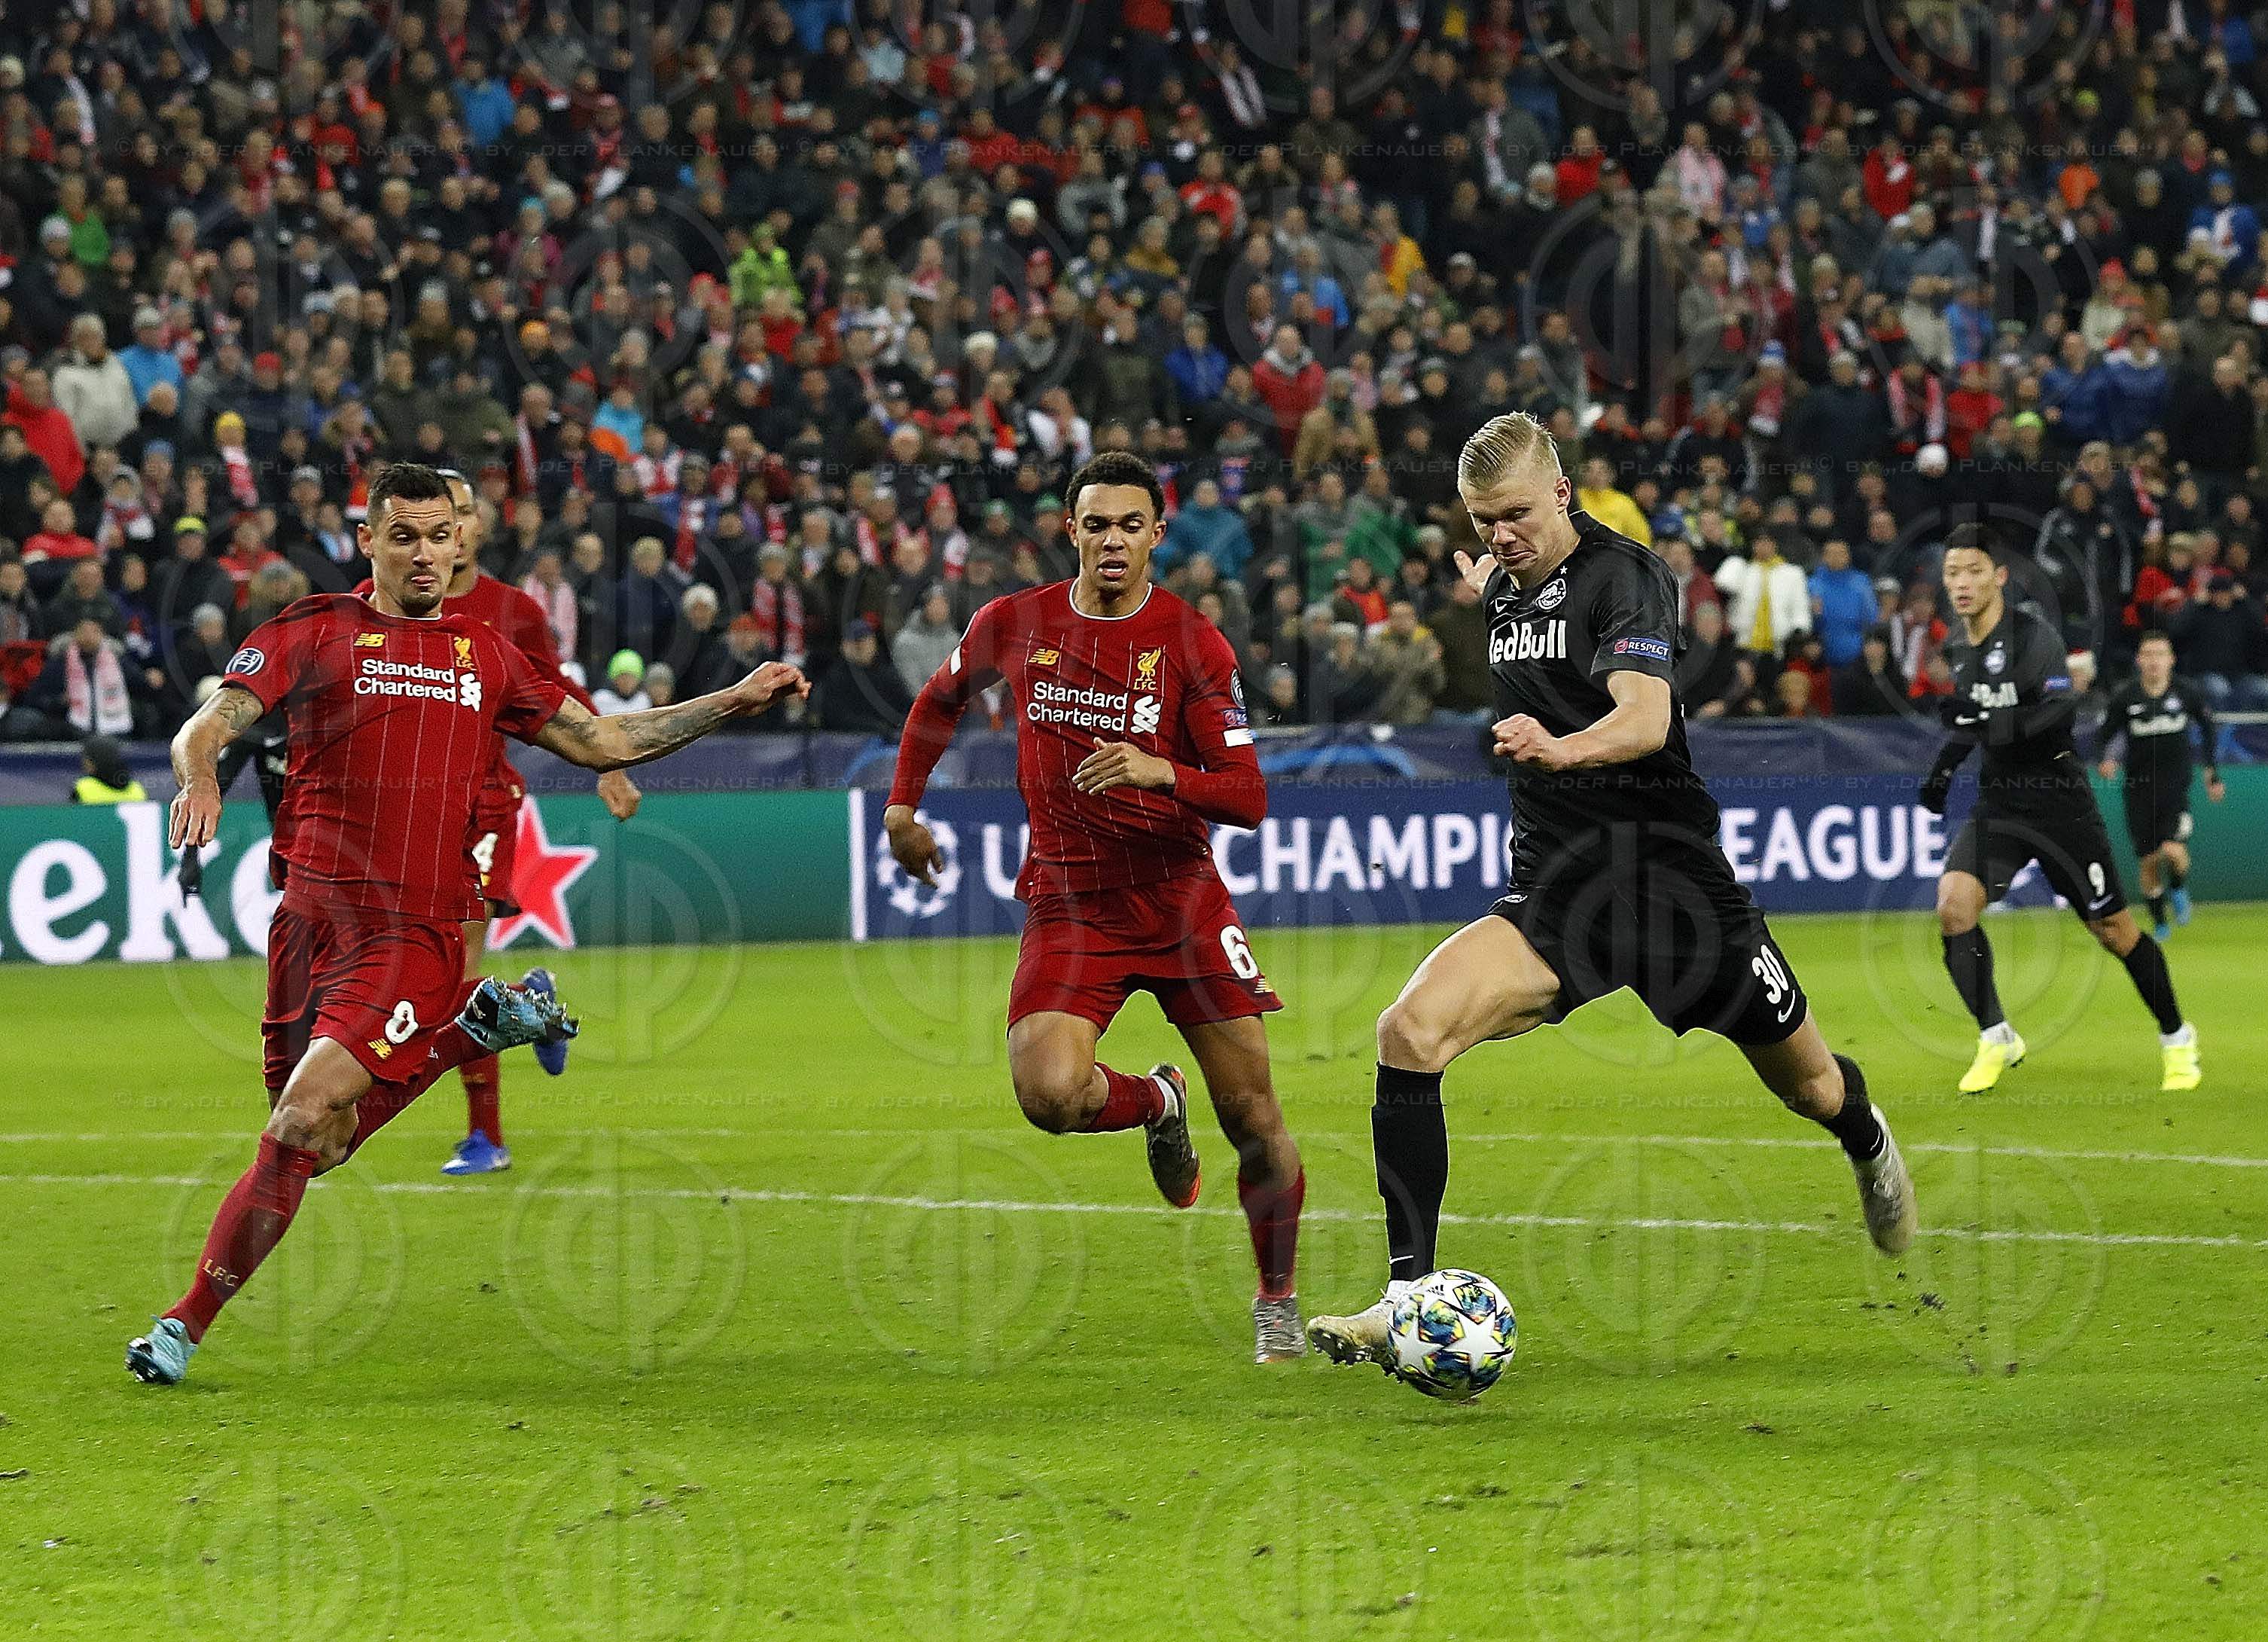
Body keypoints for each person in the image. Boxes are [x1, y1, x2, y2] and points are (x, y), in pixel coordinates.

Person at [127, 463, 808, 1387]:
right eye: (402, 534)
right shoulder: (314, 629)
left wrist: (732, 699)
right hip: (308, 924)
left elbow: (602, 739)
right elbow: (210, 723)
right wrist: (199, 773)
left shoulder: (483, 654)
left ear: (462, 541)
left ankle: (181, 1325)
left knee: (299, 1119)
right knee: (313, 1145)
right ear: (366, 540)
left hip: (415, 930)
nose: (423, 552)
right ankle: (472, 1031)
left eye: (438, 534)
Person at [1306, 413, 1916, 1370]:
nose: (1498, 537)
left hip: (1677, 894)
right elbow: (1503, 596)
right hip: (1558, 891)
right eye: (1479, 520)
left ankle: (1865, 1130)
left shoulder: (1624, 577)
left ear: (1562, 492)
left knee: (1809, 1084)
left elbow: (1642, 718)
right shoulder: (1502, 581)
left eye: (1513, 514)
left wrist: (1559, 746)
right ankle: (1408, 1295)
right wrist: (1486, 583)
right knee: (1407, 1031)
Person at [883, 450, 1308, 1363]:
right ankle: (1157, 1099)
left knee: (1255, 1119)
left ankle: (1277, 1296)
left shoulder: (1195, 643)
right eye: (1095, 523)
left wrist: (1165, 768)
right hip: (1073, 906)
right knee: (1048, 1093)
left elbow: (1246, 795)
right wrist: (902, 807)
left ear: (1158, 534)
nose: (1111, 539)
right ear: (1068, 530)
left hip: (1181, 898)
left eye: (1129, 524)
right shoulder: (1016, 622)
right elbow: (937, 700)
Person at [385, 471, 644, 1176]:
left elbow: (556, 694)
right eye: (435, 519)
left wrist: (608, 763)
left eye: (460, 517)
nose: (449, 531)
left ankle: (486, 1137)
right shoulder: (387, 608)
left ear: (474, 530)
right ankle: (530, 1003)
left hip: (484, 805)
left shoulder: (512, 611)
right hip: (408, 813)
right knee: (416, 976)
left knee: (453, 973)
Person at [1921, 526, 2199, 1095]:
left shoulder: (2032, 635)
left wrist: (1979, 725)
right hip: (2001, 804)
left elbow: (2056, 713)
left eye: (1974, 570)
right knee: (1954, 906)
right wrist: (1943, 773)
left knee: (2114, 931)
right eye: (1953, 572)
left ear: (1999, 577)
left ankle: (2177, 1037)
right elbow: (1973, 719)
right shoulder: (1958, 648)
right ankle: (1996, 1034)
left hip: (2060, 807)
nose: (1962, 583)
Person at [2096, 632, 2223, 941]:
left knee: (2173, 851)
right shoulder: (2126, 697)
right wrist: (2108, 759)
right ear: (2139, 660)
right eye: (2148, 655)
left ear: (2171, 660)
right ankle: (2159, 921)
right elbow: (2104, 734)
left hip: (2175, 789)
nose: (2154, 661)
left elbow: (2208, 727)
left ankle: (2178, 888)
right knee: (2149, 860)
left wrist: (2211, 772)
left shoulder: (2186, 693)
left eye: (2160, 654)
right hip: (2138, 791)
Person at [72, 734, 146, 803]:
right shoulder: (137, 790)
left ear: (92, 763)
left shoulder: (83, 787)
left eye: (86, 759)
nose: (83, 763)